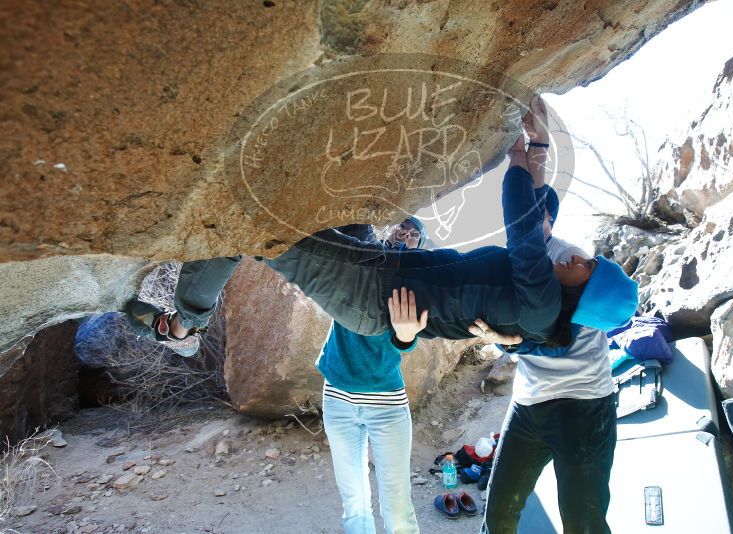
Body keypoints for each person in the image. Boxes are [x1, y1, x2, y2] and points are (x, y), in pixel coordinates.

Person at [125, 96, 637, 359]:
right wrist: (540, 152)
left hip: (368, 295)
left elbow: (526, 234)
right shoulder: (545, 304)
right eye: (591, 258)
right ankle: (185, 318)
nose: (579, 259)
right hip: (381, 270)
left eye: (588, 270)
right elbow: (543, 231)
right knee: (290, 214)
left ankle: (185, 326)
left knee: (252, 228)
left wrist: (521, 156)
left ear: (583, 295)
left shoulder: (543, 304)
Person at [472, 98, 618, 534]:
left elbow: (561, 331)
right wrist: (502, 339)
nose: (531, 218)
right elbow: (507, 333)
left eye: (540, 212)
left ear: (549, 218)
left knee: (583, 520)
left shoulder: (572, 259)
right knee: (498, 515)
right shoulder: (511, 260)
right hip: (529, 404)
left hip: (582, 403)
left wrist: (536, 150)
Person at [319, 220, 427, 534]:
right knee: (354, 502)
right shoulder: (358, 262)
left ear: (416, 250)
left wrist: (407, 337)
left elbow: (408, 338)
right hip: (338, 397)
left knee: (397, 509)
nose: (406, 234)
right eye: (403, 227)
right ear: (388, 231)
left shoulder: (411, 282)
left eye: (414, 235)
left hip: (386, 404)